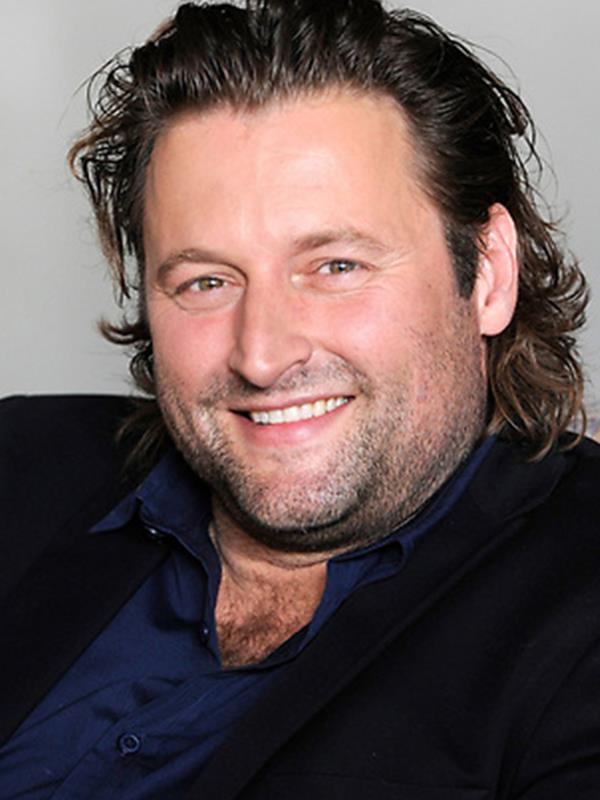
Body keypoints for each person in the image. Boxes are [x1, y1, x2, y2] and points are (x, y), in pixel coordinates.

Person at [1, 0, 598, 797]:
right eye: (206, 281)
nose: (261, 355)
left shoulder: (578, 613)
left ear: (488, 273)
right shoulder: (20, 463)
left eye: (336, 267)